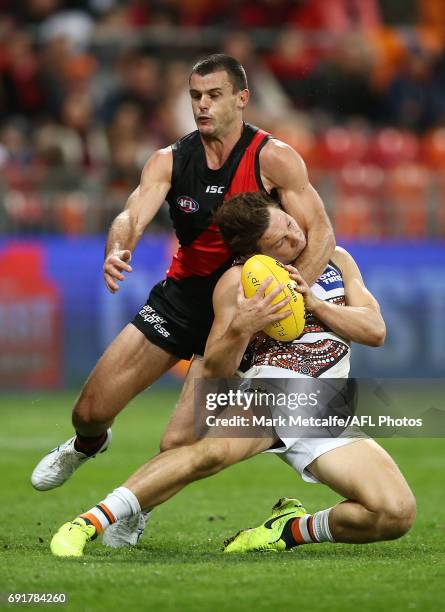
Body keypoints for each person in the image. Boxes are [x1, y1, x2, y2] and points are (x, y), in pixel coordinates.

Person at [31, 54, 335, 547]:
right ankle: (87, 443)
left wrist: (293, 289)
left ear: (242, 98)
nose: (202, 105)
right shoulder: (170, 159)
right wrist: (117, 246)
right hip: (181, 301)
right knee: (89, 409)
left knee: (179, 441)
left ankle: (135, 512)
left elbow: (320, 230)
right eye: (195, 96)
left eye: (213, 95)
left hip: (237, 312)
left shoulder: (273, 158)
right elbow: (132, 212)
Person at [49, 192, 415, 557]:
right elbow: (218, 370)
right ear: (257, 253)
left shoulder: (337, 259)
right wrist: (242, 327)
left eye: (288, 224)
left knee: (394, 513)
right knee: (206, 454)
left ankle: (288, 530)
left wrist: (314, 304)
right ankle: (88, 523)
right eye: (279, 242)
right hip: (275, 390)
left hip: (328, 405)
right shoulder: (238, 282)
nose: (295, 238)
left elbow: (375, 330)